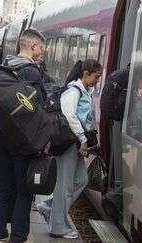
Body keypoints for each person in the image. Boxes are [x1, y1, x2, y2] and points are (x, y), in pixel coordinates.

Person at [0, 28, 48, 243]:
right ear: (33, 46)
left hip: (2, 135)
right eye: (41, 48)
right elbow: (36, 108)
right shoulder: (31, 71)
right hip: (23, 140)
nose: (42, 52)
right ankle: (18, 236)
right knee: (23, 189)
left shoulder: (5, 66)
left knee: (2, 184)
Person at [37, 59, 103, 239]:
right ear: (86, 73)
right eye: (96, 77)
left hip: (76, 144)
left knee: (81, 180)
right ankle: (58, 227)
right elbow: (69, 116)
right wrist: (83, 139)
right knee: (64, 186)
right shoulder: (73, 91)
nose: (97, 81)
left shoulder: (83, 90)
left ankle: (49, 207)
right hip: (69, 144)